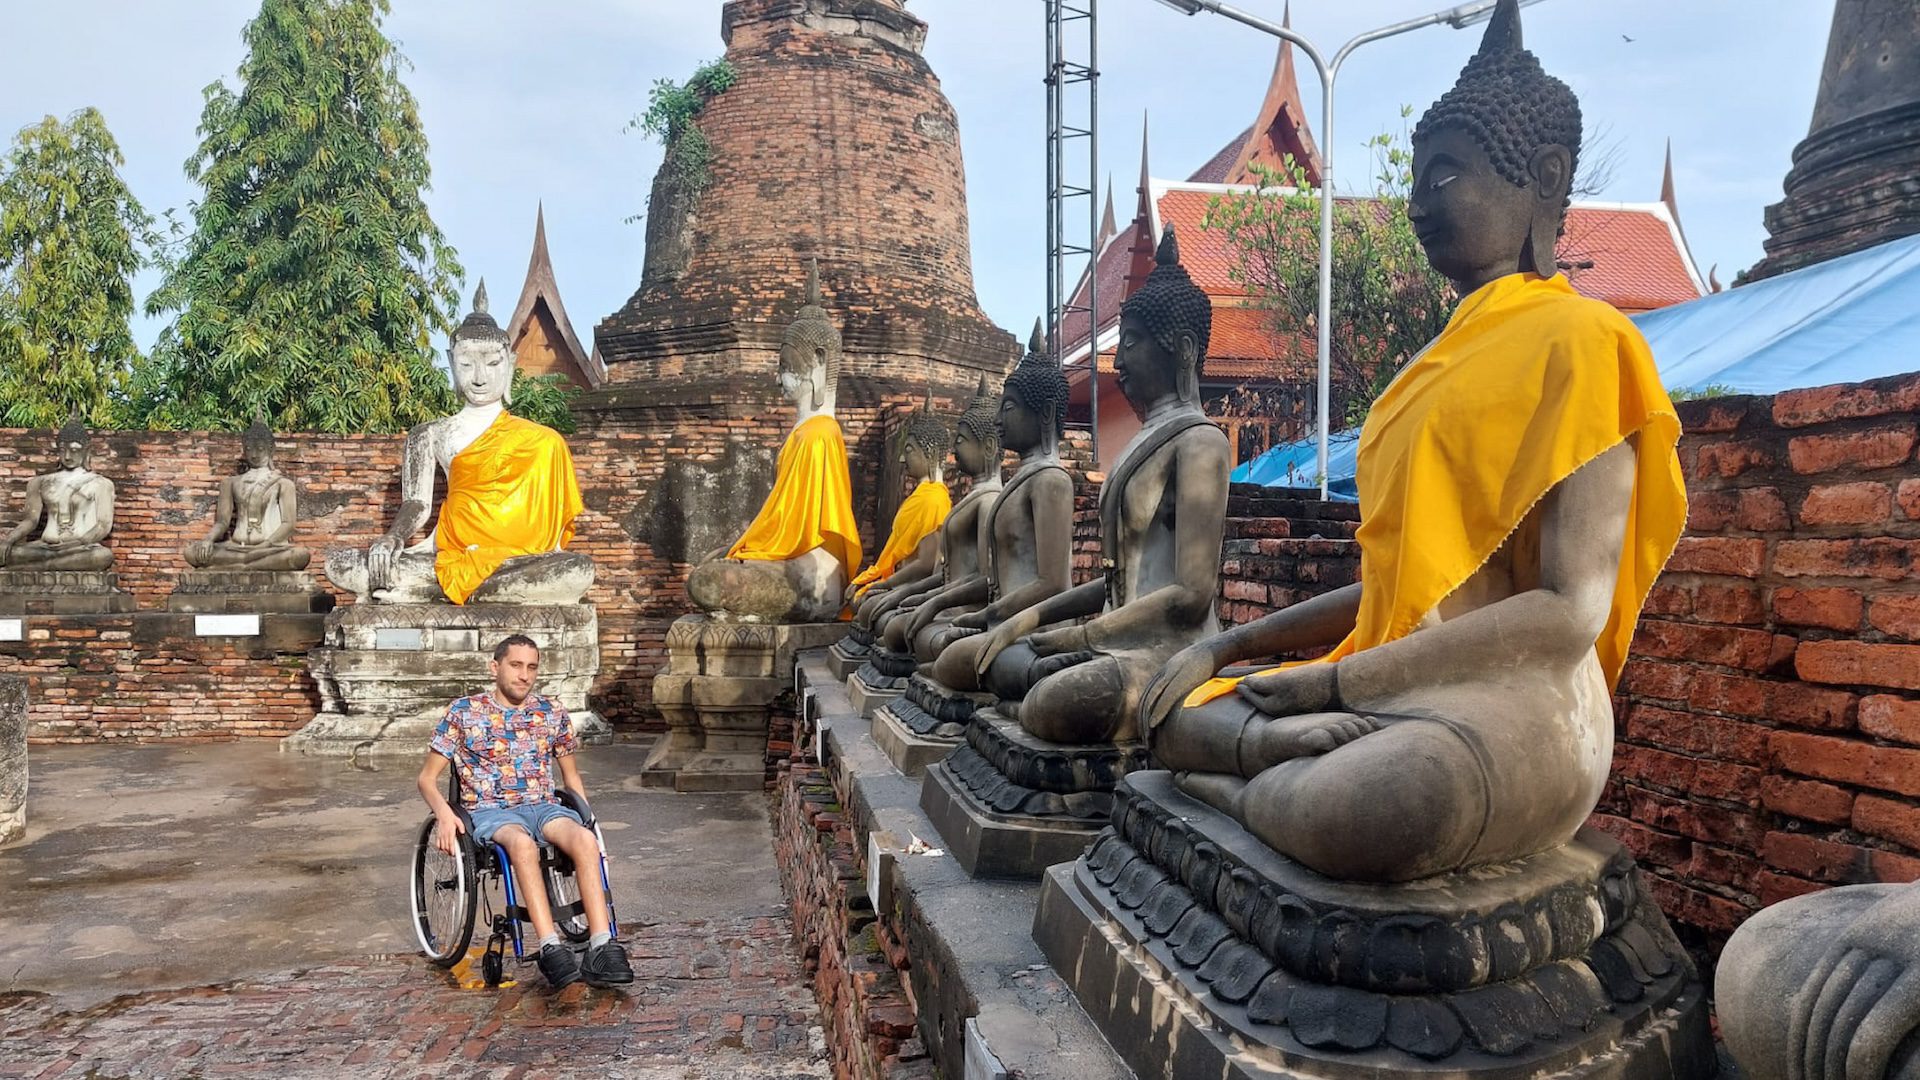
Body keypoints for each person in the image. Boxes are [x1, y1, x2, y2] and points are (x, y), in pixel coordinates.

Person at [416, 634, 633, 989]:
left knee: (582, 839)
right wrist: (443, 813)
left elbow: (572, 776)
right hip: (491, 811)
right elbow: (427, 779)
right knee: (521, 846)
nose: (524, 675)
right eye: (516, 665)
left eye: (531, 667)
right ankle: (550, 946)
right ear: (495, 667)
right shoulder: (464, 712)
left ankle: (601, 944)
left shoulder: (551, 712)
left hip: (543, 806)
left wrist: (588, 820)